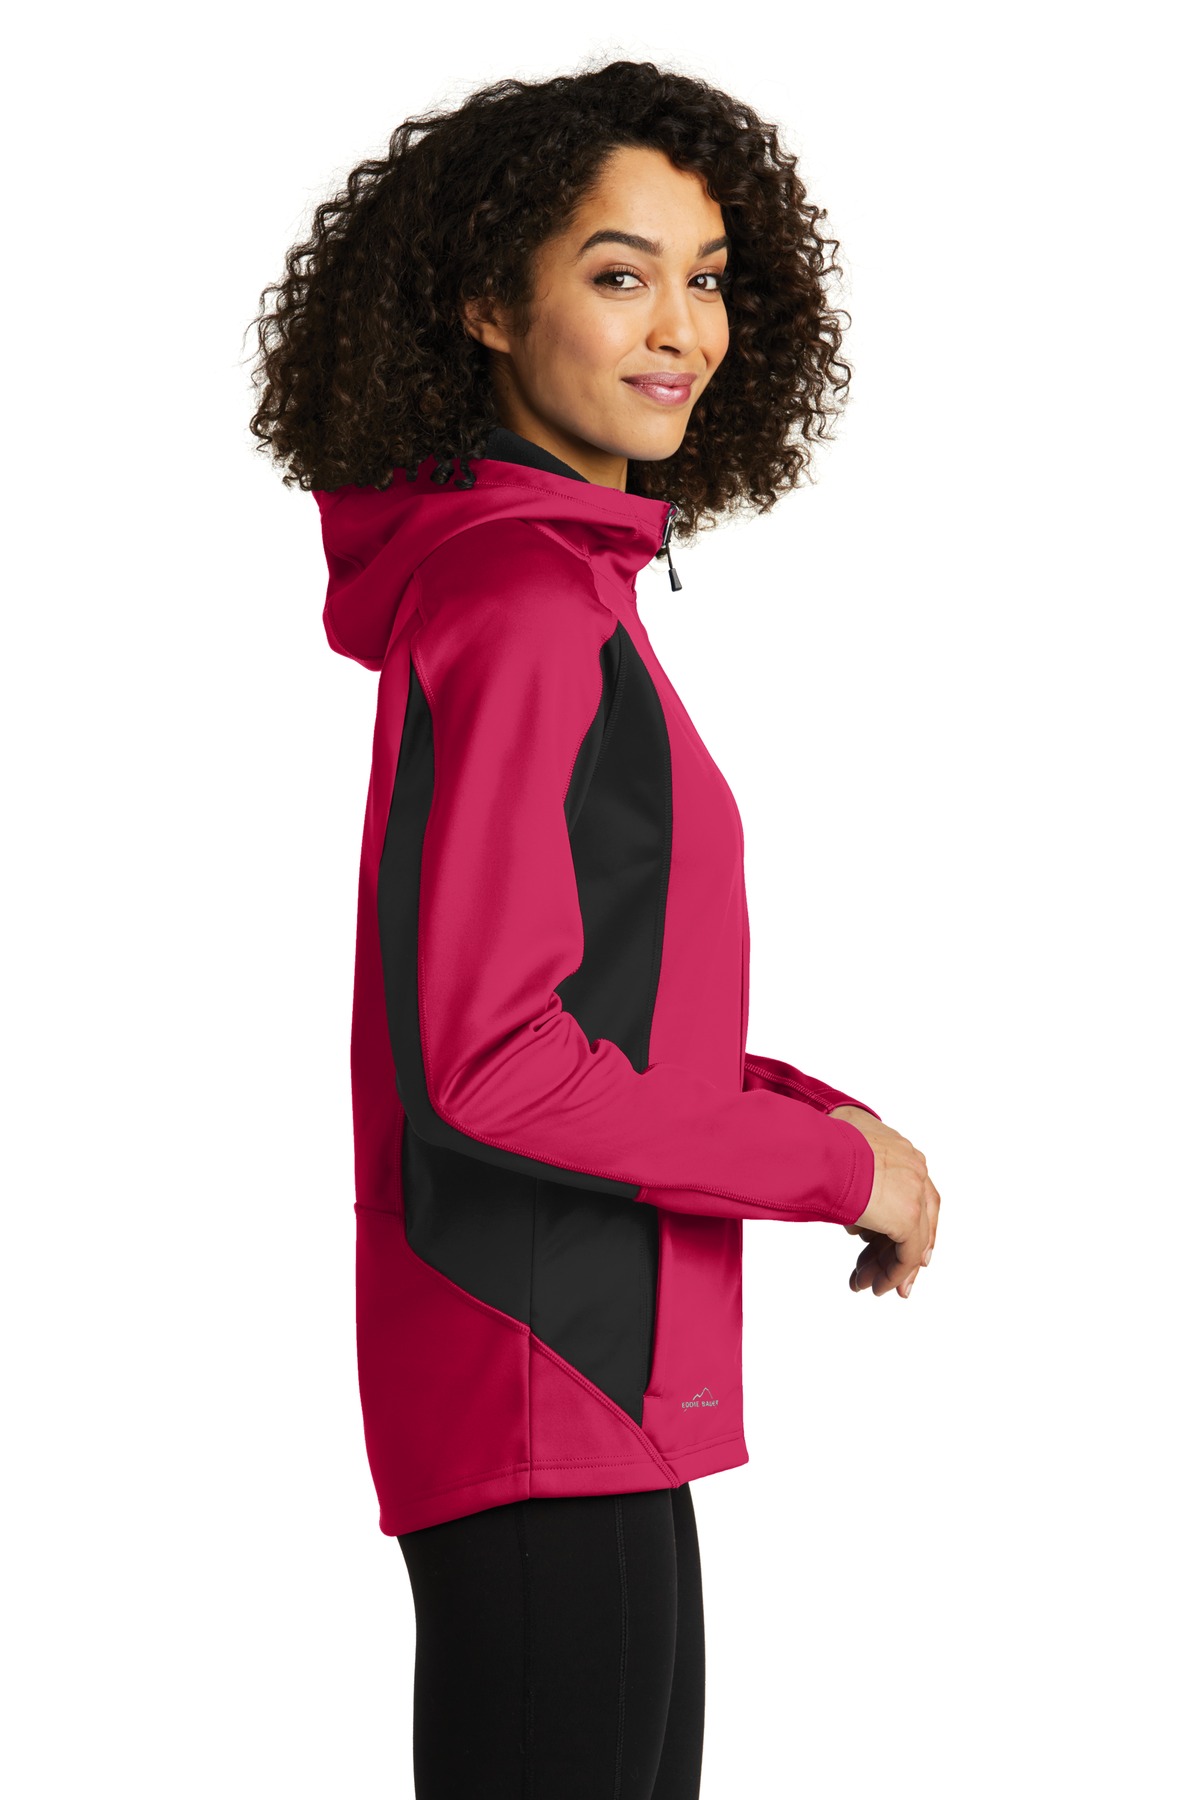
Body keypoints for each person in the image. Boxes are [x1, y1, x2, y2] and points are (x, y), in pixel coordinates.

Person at [247, 58, 942, 1800]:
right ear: (489, 303)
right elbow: (492, 1063)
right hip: (539, 1377)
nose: (681, 328)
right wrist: (830, 1173)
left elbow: (601, 1010)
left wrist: (824, 1119)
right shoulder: (517, 600)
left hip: (589, 1397)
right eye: (619, 274)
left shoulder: (563, 587)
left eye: (706, 277)